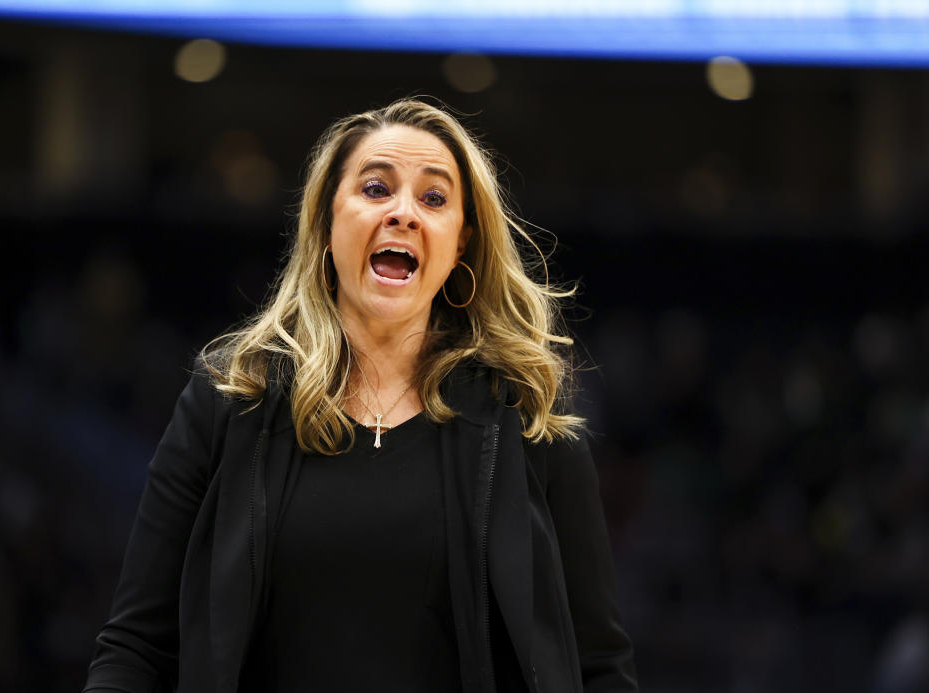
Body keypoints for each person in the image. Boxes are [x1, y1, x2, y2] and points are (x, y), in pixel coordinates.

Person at [84, 98, 638, 693]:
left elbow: (599, 667)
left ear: (460, 246)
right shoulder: (226, 398)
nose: (403, 213)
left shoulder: (525, 420)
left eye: (433, 198)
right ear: (324, 225)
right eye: (376, 188)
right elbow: (135, 649)